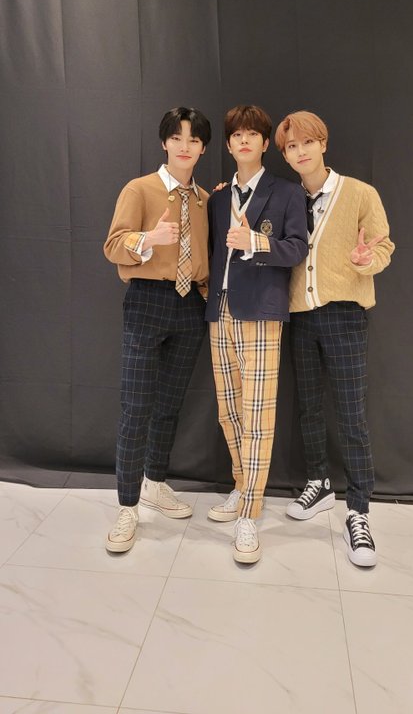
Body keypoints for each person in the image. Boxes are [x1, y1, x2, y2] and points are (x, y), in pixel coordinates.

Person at [275, 110, 394, 567]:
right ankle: (319, 483)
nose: (300, 151)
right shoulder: (286, 197)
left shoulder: (360, 193)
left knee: (350, 413)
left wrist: (366, 259)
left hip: (345, 313)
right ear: (285, 156)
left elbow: (383, 246)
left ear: (323, 143)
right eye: (291, 146)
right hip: (300, 315)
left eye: (307, 142)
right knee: (308, 406)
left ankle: (359, 511)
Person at [103, 106, 211, 553]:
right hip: (147, 299)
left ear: (203, 148)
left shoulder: (204, 198)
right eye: (177, 138)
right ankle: (127, 506)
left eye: (193, 140)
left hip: (190, 307)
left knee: (169, 405)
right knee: (136, 407)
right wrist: (149, 239)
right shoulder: (140, 188)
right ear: (165, 142)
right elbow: (113, 245)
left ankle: (155, 482)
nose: (185, 146)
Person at [206, 104, 308, 564]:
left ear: (266, 143)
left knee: (259, 414)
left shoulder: (286, 192)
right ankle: (242, 485)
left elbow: (297, 248)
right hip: (220, 310)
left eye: (252, 134)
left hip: (263, 312)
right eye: (236, 135)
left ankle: (249, 511)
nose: (244, 140)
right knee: (229, 409)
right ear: (229, 145)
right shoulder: (217, 199)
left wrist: (256, 243)